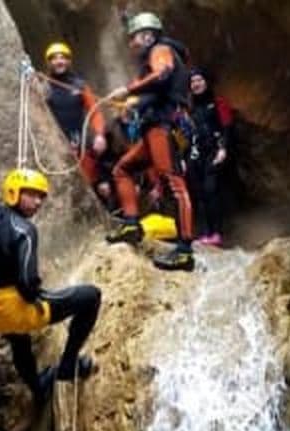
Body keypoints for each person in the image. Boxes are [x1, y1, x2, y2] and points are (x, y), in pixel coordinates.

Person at [0, 168, 101, 405]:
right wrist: (39, 294)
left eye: (41, 197)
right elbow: (27, 284)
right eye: (31, 195)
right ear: (14, 192)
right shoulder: (23, 230)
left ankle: (38, 389)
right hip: (17, 310)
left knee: (19, 342)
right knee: (91, 297)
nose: (37, 202)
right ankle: (67, 365)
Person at [105, 12, 196, 272]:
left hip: (163, 127)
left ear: (148, 35)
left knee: (174, 185)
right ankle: (132, 224)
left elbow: (164, 74)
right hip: (154, 128)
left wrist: (129, 90)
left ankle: (185, 252)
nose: (132, 43)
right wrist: (132, 101)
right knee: (122, 169)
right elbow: (157, 89)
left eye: (134, 37)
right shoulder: (155, 56)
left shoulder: (161, 49)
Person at [40, 42, 112, 204]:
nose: (59, 61)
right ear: (48, 63)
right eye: (54, 58)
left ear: (69, 61)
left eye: (63, 58)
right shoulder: (44, 86)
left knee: (90, 182)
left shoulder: (79, 85)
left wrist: (100, 135)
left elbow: (94, 111)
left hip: (78, 141)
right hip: (56, 142)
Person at [187, 67, 233, 247]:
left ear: (206, 82)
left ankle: (217, 233)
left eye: (199, 80)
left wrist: (223, 149)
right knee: (199, 193)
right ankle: (206, 232)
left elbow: (227, 127)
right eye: (192, 82)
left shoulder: (218, 102)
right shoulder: (190, 108)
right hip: (197, 154)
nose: (196, 84)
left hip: (214, 152)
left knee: (211, 190)